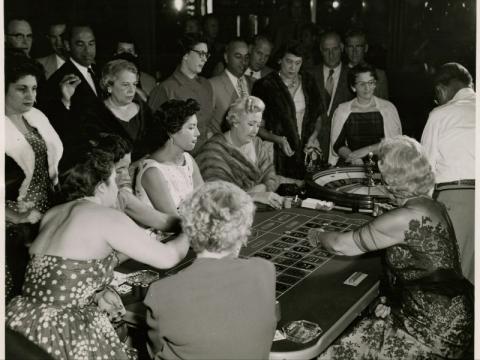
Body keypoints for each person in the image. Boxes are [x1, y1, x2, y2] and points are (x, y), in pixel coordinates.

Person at [6, 149, 189, 360]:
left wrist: (98, 292)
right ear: (101, 187)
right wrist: (192, 227)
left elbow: (70, 269)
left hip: (22, 319)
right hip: (62, 329)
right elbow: (168, 257)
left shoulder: (54, 214)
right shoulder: (104, 215)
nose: (119, 188)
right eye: (114, 180)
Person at [309, 136, 473, 359]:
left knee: (336, 353)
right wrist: (393, 298)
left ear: (391, 181)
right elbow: (425, 269)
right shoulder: (433, 204)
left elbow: (340, 245)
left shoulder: (405, 218)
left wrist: (317, 234)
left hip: (433, 327)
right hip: (447, 311)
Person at [145, 181, 277, 360]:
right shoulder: (265, 270)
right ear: (244, 233)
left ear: (189, 232)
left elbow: (155, 349)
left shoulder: (160, 293)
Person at [5, 54, 63, 300]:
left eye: (34, 88)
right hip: (12, 225)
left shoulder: (36, 117)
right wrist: (17, 216)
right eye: (22, 89)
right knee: (17, 288)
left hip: (44, 215)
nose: (31, 96)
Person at [421, 62, 475, 284]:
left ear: (440, 90)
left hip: (456, 199)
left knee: (448, 278)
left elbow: (424, 171)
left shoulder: (440, 114)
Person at [197, 96, 303, 209]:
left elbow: (271, 177)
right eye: (251, 124)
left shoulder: (257, 144)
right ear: (235, 121)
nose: (255, 131)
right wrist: (253, 195)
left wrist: (261, 189)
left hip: (257, 209)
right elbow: (217, 199)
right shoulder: (213, 152)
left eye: (258, 125)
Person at [252, 42, 323, 179]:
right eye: (289, 61)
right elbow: (257, 127)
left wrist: (313, 136)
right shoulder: (264, 86)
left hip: (307, 151)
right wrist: (278, 140)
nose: (293, 67)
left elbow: (318, 117)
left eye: (298, 63)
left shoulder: (309, 82)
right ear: (279, 59)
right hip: (275, 152)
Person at [39, 23, 100, 170]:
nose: (88, 50)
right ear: (67, 45)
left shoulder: (98, 71)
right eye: (80, 44)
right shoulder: (59, 80)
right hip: (81, 162)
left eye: (91, 44)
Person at [92, 133, 180, 232]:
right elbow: (165, 222)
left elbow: (165, 221)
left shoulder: (122, 195)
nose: (126, 175)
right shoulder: (115, 199)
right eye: (119, 170)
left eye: (127, 167)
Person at [135, 99, 204, 215]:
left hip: (192, 225)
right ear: (172, 131)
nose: (198, 133)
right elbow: (173, 221)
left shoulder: (188, 159)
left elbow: (206, 199)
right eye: (191, 128)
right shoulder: (152, 171)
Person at [148, 33, 215, 151]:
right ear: (185, 54)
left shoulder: (206, 85)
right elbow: (153, 133)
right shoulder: (165, 88)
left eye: (206, 55)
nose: (205, 59)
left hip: (207, 152)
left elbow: (209, 124)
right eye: (201, 54)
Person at [82, 59, 155, 161]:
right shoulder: (96, 115)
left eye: (134, 84)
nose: (131, 90)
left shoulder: (144, 111)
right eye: (125, 84)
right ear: (109, 86)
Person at [329, 63, 402, 165]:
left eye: (371, 82)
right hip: (352, 163)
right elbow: (337, 145)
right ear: (353, 87)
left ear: (375, 84)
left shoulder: (388, 109)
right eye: (362, 84)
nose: (367, 88)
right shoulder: (342, 110)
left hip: (383, 165)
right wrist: (353, 158)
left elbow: (394, 143)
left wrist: (365, 151)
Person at [310, 31, 354, 158]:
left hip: (342, 147)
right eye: (326, 50)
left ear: (341, 48)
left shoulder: (352, 75)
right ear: (320, 50)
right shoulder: (309, 75)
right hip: (313, 144)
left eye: (334, 49)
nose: (331, 55)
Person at [209, 38, 251, 135]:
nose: (243, 62)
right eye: (238, 56)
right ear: (226, 57)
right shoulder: (212, 85)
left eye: (246, 57)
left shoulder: (252, 83)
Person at [344, 28, 389, 99]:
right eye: (350, 47)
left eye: (358, 46)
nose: (354, 51)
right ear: (346, 49)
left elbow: (385, 106)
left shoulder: (379, 75)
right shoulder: (339, 74)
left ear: (365, 48)